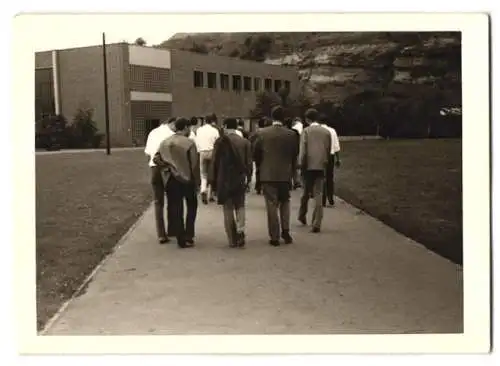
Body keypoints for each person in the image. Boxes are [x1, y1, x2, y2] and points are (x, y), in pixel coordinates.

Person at [253, 106, 298, 246]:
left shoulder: (262, 133)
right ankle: (286, 230)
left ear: (272, 117)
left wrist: (260, 166)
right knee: (285, 202)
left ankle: (274, 235)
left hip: (268, 173)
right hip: (285, 174)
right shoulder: (291, 134)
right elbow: (294, 154)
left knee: (271, 205)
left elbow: (256, 153)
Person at [154, 117, 200, 248]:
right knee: (191, 206)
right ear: (185, 127)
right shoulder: (189, 143)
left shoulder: (164, 142)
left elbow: (156, 158)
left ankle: (180, 236)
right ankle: (189, 234)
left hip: (170, 178)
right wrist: (197, 181)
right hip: (187, 178)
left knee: (176, 207)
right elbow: (194, 164)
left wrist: (167, 166)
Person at [210, 118, 253, 248]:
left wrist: (213, 182)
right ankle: (241, 230)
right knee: (240, 205)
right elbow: (249, 163)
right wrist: (249, 178)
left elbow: (215, 162)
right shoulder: (245, 142)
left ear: (225, 126)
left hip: (224, 179)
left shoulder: (220, 142)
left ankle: (232, 239)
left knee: (227, 208)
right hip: (239, 177)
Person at [297, 108, 331, 233]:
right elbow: (328, 150)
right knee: (318, 194)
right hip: (321, 165)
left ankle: (302, 214)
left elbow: (303, 150)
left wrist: (301, 164)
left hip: (308, 166)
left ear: (307, 119)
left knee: (305, 193)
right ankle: (317, 222)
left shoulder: (306, 131)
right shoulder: (326, 132)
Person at [144, 118, 175, 244]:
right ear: (171, 124)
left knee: (158, 202)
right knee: (173, 199)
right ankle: (172, 229)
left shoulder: (153, 132)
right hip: (167, 169)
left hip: (154, 168)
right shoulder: (171, 135)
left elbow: (147, 152)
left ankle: (161, 234)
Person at [195, 113, 220, 204]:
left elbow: (197, 141)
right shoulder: (215, 130)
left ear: (205, 121)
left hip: (202, 152)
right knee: (212, 173)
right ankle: (210, 195)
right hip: (212, 152)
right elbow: (218, 142)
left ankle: (203, 190)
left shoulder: (199, 130)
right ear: (212, 121)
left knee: (203, 173)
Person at [319, 114, 341, 207]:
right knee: (329, 177)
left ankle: (322, 199)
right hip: (330, 155)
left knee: (321, 177)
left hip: (320, 155)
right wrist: (338, 159)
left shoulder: (318, 131)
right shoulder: (332, 131)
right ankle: (330, 197)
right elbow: (336, 146)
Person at [249, 118, 267, 195]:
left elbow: (250, 141)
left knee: (258, 170)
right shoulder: (266, 132)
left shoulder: (255, 133)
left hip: (257, 154)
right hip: (265, 153)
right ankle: (264, 185)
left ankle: (258, 186)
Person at [284, 117, 301, 190]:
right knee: (294, 167)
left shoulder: (284, 132)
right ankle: (296, 182)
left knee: (287, 167)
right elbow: (298, 142)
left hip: (286, 151)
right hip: (294, 151)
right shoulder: (295, 132)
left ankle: (288, 183)